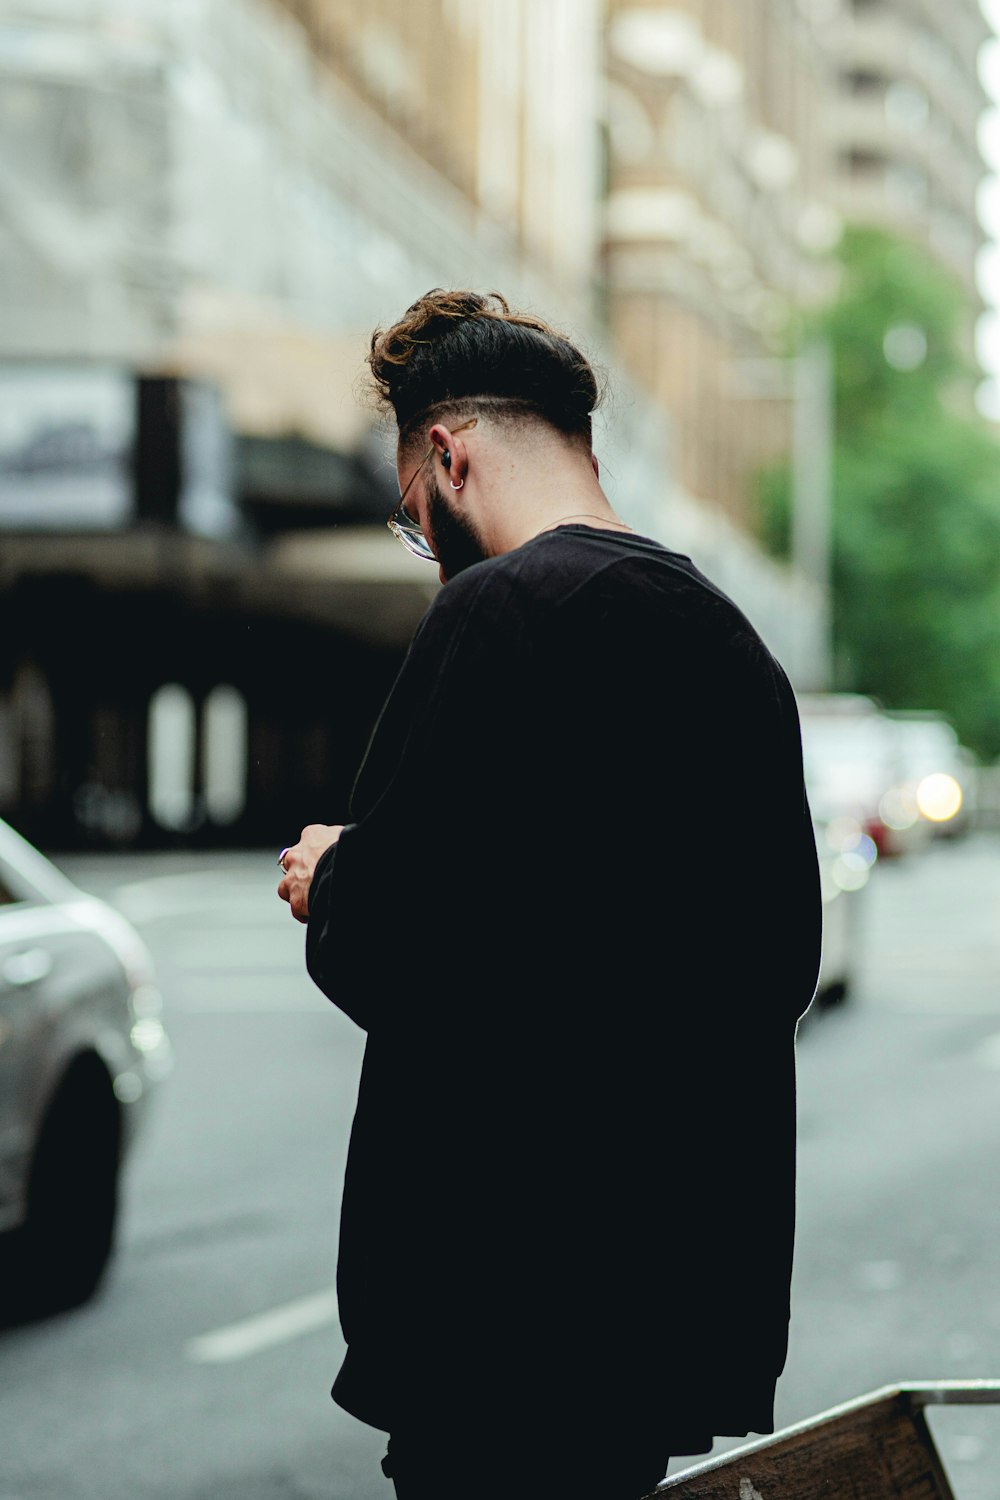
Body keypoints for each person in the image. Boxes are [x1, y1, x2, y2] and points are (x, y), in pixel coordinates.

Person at [277, 289, 822, 1500]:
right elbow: (771, 965)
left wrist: (335, 875)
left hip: (495, 1295)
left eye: (417, 522)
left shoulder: (501, 609)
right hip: (661, 1296)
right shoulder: (733, 646)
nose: (428, 548)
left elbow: (409, 945)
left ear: (448, 456)